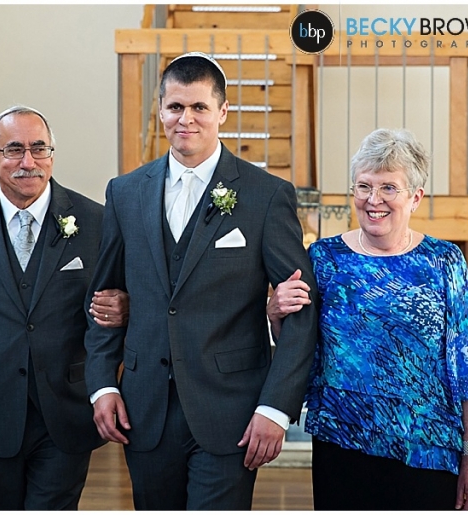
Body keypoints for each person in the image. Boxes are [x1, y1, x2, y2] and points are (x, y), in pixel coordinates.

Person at [82, 52, 319, 510]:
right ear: (160, 109)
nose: (185, 119)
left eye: (199, 107)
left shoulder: (266, 195)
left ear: (222, 111)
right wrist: (103, 385)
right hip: (144, 409)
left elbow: (301, 310)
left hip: (231, 411)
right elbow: (105, 300)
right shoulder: (124, 192)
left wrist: (275, 407)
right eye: (175, 107)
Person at [266, 128, 468, 511]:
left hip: (427, 448)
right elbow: (299, 344)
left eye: (388, 187)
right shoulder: (324, 259)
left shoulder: (444, 261)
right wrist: (276, 313)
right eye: (364, 186)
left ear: (415, 197)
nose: (373, 200)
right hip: (342, 442)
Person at [0, 105, 128, 510]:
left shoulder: (97, 221)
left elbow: (112, 310)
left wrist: (125, 311)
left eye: (39, 148)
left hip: (68, 408)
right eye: (14, 149)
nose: (28, 162)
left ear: (52, 155)